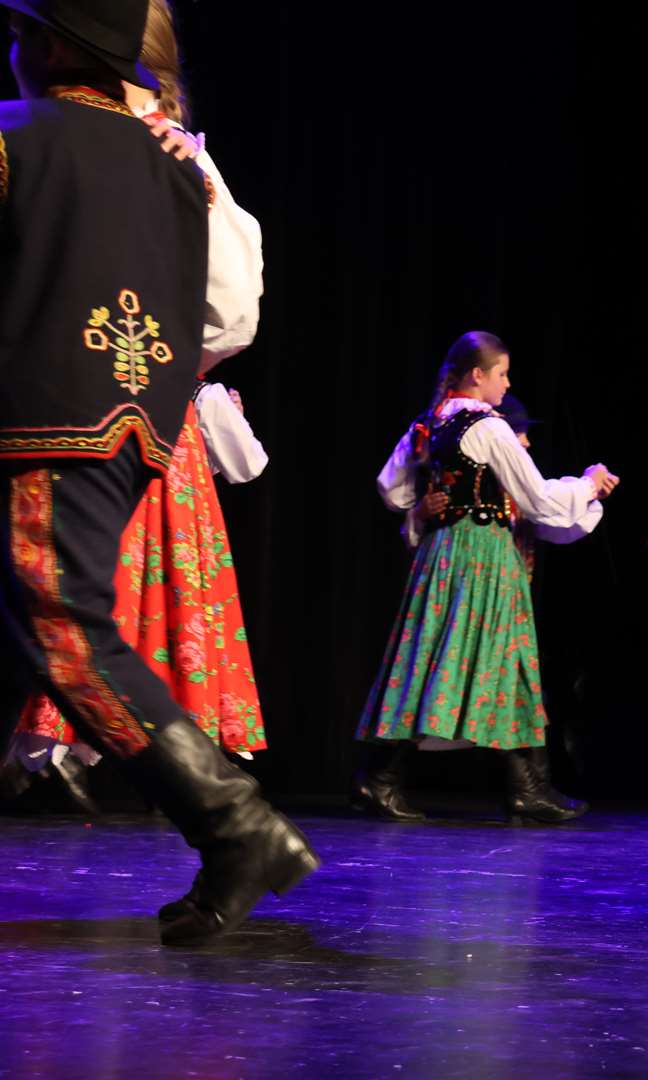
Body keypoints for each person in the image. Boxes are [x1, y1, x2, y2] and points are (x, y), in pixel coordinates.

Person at [0, 0, 315, 946]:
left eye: (21, 34)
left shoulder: (17, 136)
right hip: (135, 424)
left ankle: (236, 825)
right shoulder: (183, 164)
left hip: (46, 419)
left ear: (51, 45)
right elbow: (229, 317)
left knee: (64, 627)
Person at [355, 332, 613, 824]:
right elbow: (538, 499)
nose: (506, 384)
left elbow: (391, 489)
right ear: (478, 375)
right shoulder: (489, 427)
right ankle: (393, 777)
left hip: (441, 555)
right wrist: (588, 484)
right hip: (484, 555)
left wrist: (424, 507)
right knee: (503, 658)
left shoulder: (429, 422)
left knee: (432, 660)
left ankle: (510, 784)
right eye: (502, 374)